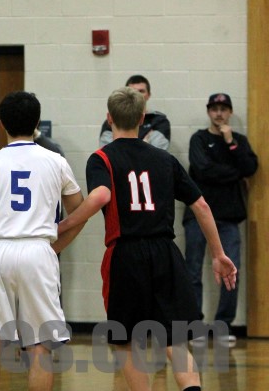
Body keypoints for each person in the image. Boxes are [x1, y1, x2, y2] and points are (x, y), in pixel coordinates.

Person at [57, 87, 237, 391]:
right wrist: (218, 254)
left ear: (109, 118)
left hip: (125, 255)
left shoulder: (101, 158)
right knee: (175, 339)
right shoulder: (165, 159)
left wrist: (63, 226)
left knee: (127, 342)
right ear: (142, 118)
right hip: (165, 253)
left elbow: (100, 196)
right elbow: (201, 206)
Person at [0, 91, 84, 391]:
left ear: (1, 123)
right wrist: (54, 247)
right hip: (38, 252)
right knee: (40, 345)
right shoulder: (56, 161)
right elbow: (79, 212)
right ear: (37, 122)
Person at [183, 93, 257, 348]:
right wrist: (235, 173)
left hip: (229, 216)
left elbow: (250, 167)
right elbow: (203, 169)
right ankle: (195, 326)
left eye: (223, 109)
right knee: (192, 271)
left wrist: (230, 143)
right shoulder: (199, 139)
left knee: (231, 270)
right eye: (214, 109)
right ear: (208, 112)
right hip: (198, 216)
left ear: (230, 112)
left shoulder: (238, 141)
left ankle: (223, 325)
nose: (219, 113)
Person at [98, 75, 170, 150]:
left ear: (148, 95)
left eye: (141, 91)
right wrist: (144, 143)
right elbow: (109, 152)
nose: (137, 95)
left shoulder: (159, 121)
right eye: (133, 91)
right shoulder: (113, 119)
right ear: (125, 94)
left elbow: (157, 153)